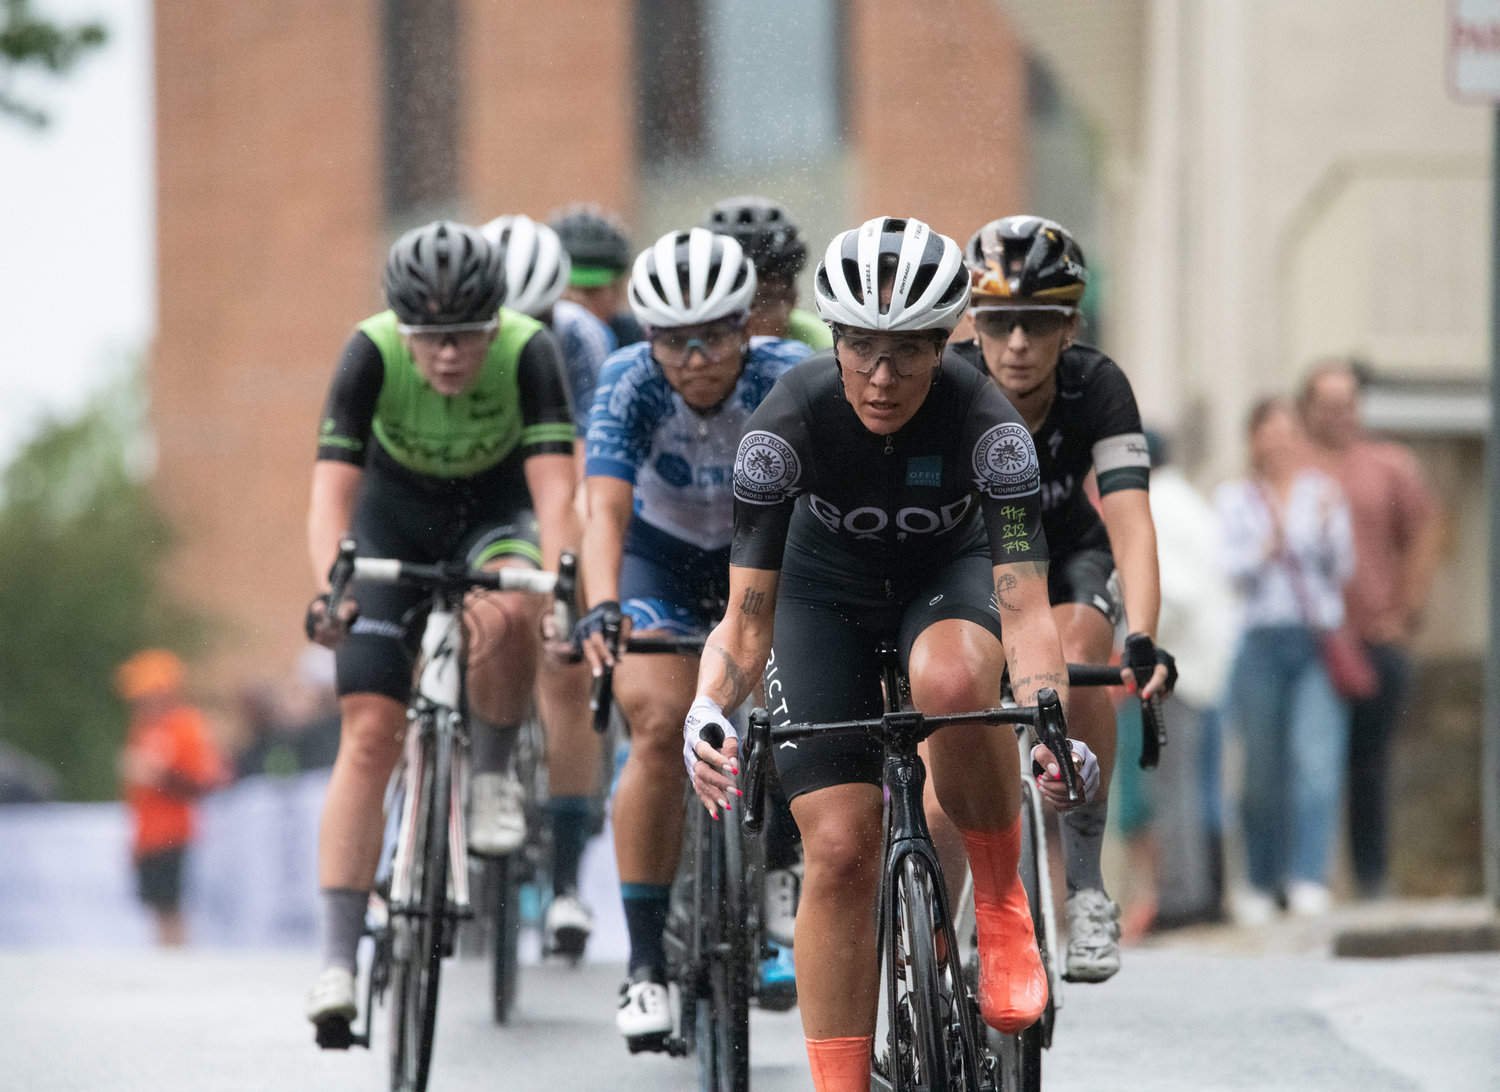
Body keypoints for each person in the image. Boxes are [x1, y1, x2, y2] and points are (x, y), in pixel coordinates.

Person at [683, 216, 1087, 1092]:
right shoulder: (782, 426)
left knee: (948, 678)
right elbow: (746, 624)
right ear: (832, 338)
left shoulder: (992, 429)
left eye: (907, 351)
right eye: (861, 347)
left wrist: (1049, 718)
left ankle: (1002, 901)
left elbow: (1024, 608)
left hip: (947, 582)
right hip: (821, 598)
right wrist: (707, 708)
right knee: (837, 847)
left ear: (946, 344)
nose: (880, 374)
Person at [302, 220, 584, 1040]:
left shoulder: (530, 352)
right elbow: (330, 496)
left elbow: (557, 494)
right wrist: (332, 592)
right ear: (404, 329)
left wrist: (561, 587)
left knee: (508, 608)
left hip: (493, 516)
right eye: (432, 338)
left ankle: (492, 773)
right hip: (392, 521)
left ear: (494, 324)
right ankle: (334, 963)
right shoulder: (370, 352)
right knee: (367, 734)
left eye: (467, 336)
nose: (451, 355)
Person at [570, 226, 811, 1045]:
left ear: (750, 325)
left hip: (764, 559)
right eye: (673, 339)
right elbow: (601, 510)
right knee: (658, 723)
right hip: (661, 563)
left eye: (714, 335)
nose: (696, 357)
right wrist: (602, 602)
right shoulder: (627, 380)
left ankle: (780, 863)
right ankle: (644, 967)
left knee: (787, 704)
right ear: (649, 336)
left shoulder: (788, 377)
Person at [950, 215, 1174, 982]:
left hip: (1069, 556)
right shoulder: (947, 385)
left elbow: (1132, 523)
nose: (1017, 341)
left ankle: (1084, 888)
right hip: (972, 561)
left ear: (1070, 325)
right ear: (972, 323)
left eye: (1038, 321)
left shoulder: (1097, 384)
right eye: (999, 320)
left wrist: (1141, 635)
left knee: (1082, 657)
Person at [479, 212, 611, 949]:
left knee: (564, 666)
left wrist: (573, 568)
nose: (515, 336)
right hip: (481, 490)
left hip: (554, 485)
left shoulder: (579, 339)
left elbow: (592, 463)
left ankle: (563, 881)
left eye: (531, 319)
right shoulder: (450, 340)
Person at [1300, 360, 1441, 899]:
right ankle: (1305, 879)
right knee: (1307, 764)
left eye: (1348, 402)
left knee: (1369, 765)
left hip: (1374, 640)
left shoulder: (1389, 466)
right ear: (1308, 409)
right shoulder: (1295, 466)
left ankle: (1370, 879)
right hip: (1309, 642)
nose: (1340, 414)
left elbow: (1427, 536)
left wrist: (1405, 614)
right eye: (1327, 403)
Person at [1215, 397, 1354, 922]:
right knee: (1260, 770)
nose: (1277, 443)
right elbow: (1227, 571)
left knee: (1315, 761)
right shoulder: (1235, 499)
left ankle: (1308, 877)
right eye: (1267, 433)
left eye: (1286, 433)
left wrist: (1320, 531)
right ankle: (1258, 880)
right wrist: (1265, 550)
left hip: (1316, 638)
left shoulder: (1324, 494)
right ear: (1253, 440)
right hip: (1259, 639)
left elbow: (1343, 567)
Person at [116, 649, 226, 946]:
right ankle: (167, 964)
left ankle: (177, 968)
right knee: (157, 907)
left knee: (172, 906)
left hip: (174, 833)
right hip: (147, 834)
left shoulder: (186, 725)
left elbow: (202, 783)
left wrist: (157, 775)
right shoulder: (144, 727)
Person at [702, 195, 833, 350]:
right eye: (727, 303)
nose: (745, 322)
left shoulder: (825, 349)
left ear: (793, 298)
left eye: (761, 301)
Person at [549, 202, 644, 349]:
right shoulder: (533, 346)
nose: (578, 303)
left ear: (619, 290)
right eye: (568, 292)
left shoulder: (640, 339)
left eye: (591, 291)